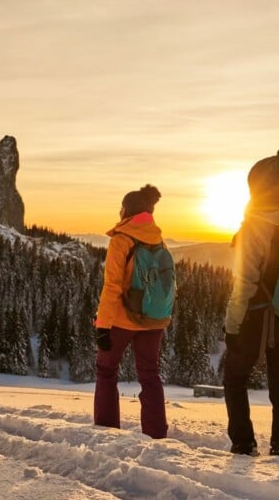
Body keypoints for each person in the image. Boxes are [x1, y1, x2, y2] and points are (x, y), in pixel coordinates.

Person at [223, 147, 279, 462]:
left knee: (234, 377)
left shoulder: (255, 224)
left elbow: (244, 282)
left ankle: (244, 446)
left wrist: (232, 326)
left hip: (259, 317)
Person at [94, 184, 170, 439]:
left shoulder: (122, 239)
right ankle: (157, 434)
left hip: (124, 320)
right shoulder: (158, 239)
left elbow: (112, 285)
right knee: (150, 375)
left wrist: (103, 325)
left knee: (106, 369)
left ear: (127, 211)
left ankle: (107, 430)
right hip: (154, 319)